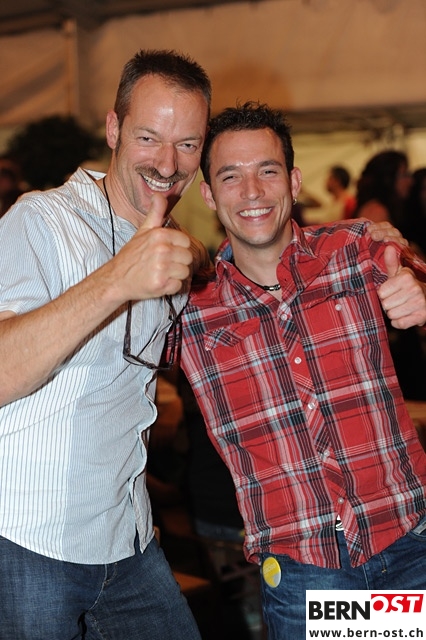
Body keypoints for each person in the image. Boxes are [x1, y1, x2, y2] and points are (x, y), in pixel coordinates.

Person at [178, 102, 426, 640]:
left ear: (293, 181)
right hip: (306, 570)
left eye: (267, 170)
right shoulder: (187, 309)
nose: (252, 191)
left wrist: (424, 298)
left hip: (411, 544)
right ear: (208, 194)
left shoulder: (355, 250)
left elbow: (414, 274)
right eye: (230, 176)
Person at [0, 49, 211, 640]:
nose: (167, 163)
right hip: (26, 537)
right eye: (149, 138)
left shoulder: (171, 245)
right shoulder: (41, 220)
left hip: (127, 539)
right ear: (114, 128)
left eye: (187, 144)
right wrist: (118, 278)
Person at [355, 150, 426, 400]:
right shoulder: (376, 211)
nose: (409, 180)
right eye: (403, 174)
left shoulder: (391, 208)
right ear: (388, 179)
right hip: (388, 316)